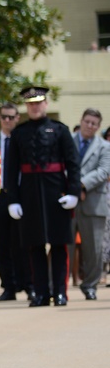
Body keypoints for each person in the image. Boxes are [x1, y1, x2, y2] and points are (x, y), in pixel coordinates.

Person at [4, 87, 81, 306]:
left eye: (38, 103)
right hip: (29, 194)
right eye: (30, 104)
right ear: (26, 107)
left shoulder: (60, 130)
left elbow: (73, 164)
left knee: (59, 245)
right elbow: (11, 169)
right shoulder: (19, 133)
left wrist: (74, 192)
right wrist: (13, 200)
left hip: (56, 191)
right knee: (34, 245)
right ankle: (40, 293)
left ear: (45, 104)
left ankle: (60, 292)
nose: (34, 107)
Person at [0, 102, 31, 302]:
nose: (7, 120)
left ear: (17, 118)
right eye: (4, 117)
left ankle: (29, 284)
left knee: (25, 242)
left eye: (11, 117)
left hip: (21, 195)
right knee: (2, 244)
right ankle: (9, 286)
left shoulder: (23, 138)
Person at [69, 109, 110, 300]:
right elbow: (61, 165)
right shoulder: (68, 141)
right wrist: (72, 188)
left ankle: (90, 284)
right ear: (81, 121)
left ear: (98, 126)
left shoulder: (104, 146)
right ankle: (58, 284)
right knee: (63, 245)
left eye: (94, 123)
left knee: (94, 248)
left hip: (93, 202)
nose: (90, 126)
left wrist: (82, 185)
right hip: (67, 201)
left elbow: (103, 171)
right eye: (87, 122)